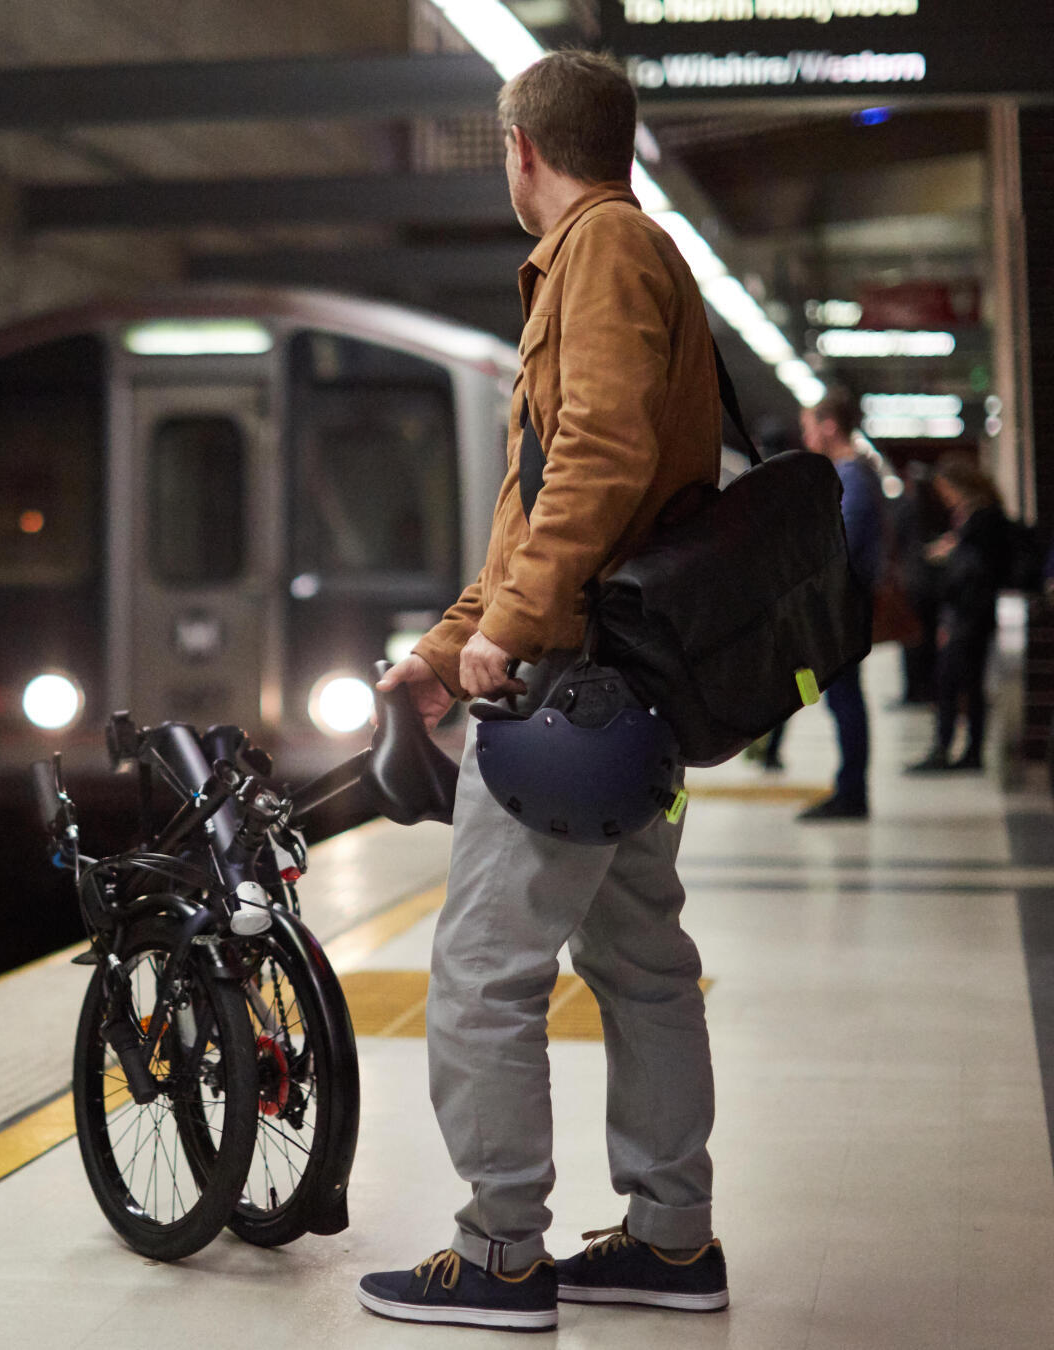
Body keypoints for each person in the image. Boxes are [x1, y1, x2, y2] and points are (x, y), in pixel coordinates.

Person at [357, 50, 726, 1333]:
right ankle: (674, 1241)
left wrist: (507, 634)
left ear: (522, 149)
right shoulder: (613, 255)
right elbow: (537, 507)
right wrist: (448, 635)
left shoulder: (604, 251)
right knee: (639, 962)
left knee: (477, 975)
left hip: (576, 693)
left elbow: (603, 455)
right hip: (621, 682)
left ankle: (502, 1251)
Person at [795, 386, 883, 821]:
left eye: (809, 427)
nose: (806, 437)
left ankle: (852, 791)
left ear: (830, 426)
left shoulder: (851, 478)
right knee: (843, 697)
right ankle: (850, 786)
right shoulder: (856, 475)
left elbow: (837, 548)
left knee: (845, 698)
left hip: (843, 607)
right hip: (847, 604)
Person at [907, 456, 1011, 772]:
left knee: (953, 681)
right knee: (964, 683)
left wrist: (951, 555)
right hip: (971, 612)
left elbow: (972, 572)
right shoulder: (982, 517)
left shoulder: (982, 519)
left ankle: (950, 748)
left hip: (967, 614)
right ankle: (966, 750)